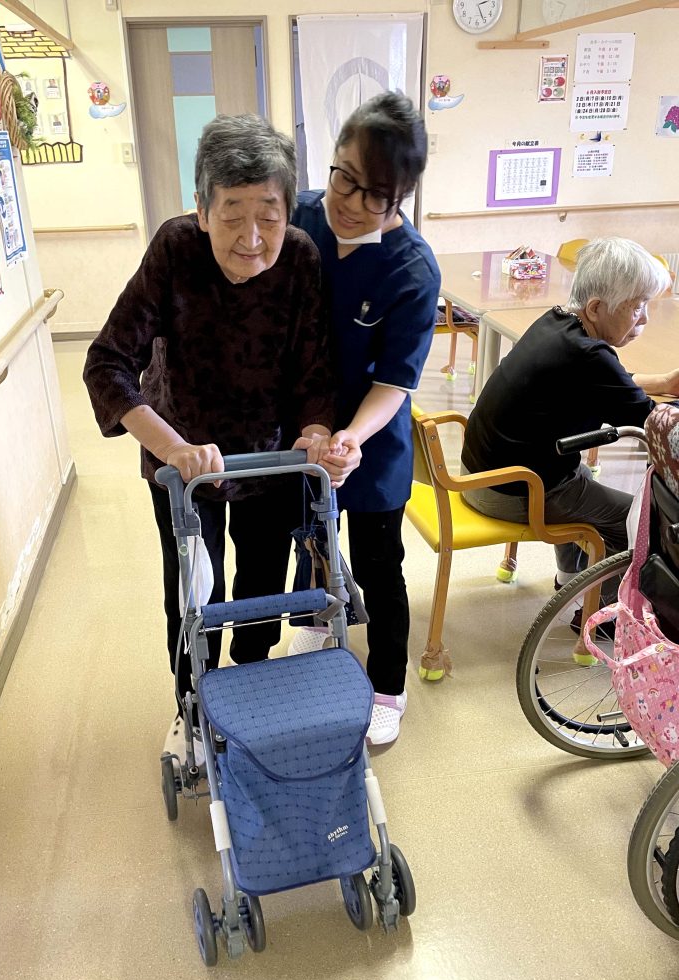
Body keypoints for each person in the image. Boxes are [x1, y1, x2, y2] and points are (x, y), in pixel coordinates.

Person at [83, 114, 354, 762]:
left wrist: (317, 434)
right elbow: (107, 364)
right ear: (201, 210)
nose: (252, 237)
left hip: (267, 457)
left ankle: (251, 693)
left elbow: (315, 371)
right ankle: (192, 707)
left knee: (260, 591)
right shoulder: (175, 250)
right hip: (187, 462)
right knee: (194, 593)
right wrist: (171, 446)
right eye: (232, 214)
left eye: (269, 213)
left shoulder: (300, 257)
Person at [290, 91, 441, 746]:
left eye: (373, 192)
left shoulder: (411, 269)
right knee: (311, 536)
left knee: (380, 565)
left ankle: (387, 685)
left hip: (371, 446)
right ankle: (319, 618)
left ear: (401, 196)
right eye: (343, 175)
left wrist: (352, 435)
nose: (348, 199)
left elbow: (393, 382)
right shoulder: (299, 218)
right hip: (299, 428)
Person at [461, 236, 679, 605]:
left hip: (484, 474)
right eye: (637, 306)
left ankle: (570, 578)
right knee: (641, 523)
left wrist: (663, 383)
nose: (643, 318)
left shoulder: (557, 323)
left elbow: (608, 383)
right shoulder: (590, 355)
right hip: (515, 490)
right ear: (596, 307)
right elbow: (654, 427)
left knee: (579, 476)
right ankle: (598, 612)